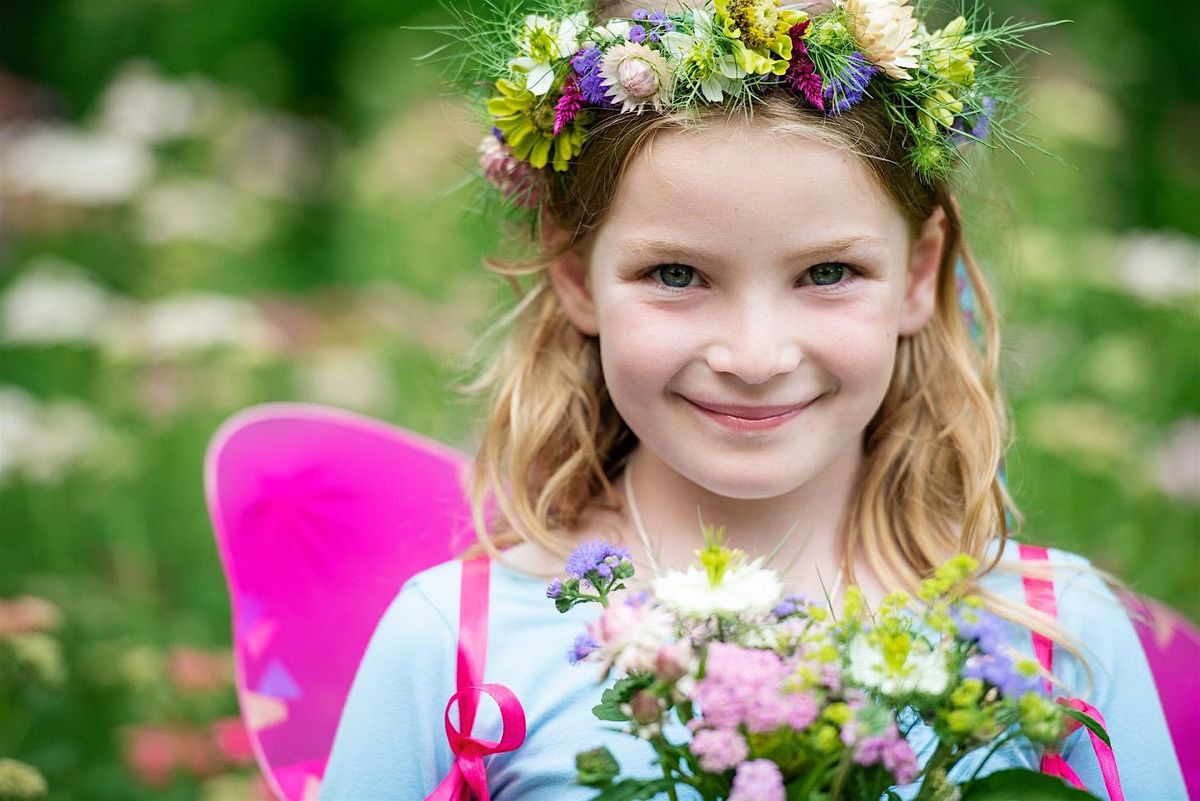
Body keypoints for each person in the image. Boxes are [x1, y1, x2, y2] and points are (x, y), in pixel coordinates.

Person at [318, 0, 1188, 798]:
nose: (755, 356)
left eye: (828, 273)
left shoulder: (1053, 642)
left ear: (920, 274)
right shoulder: (461, 650)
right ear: (574, 271)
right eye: (676, 274)